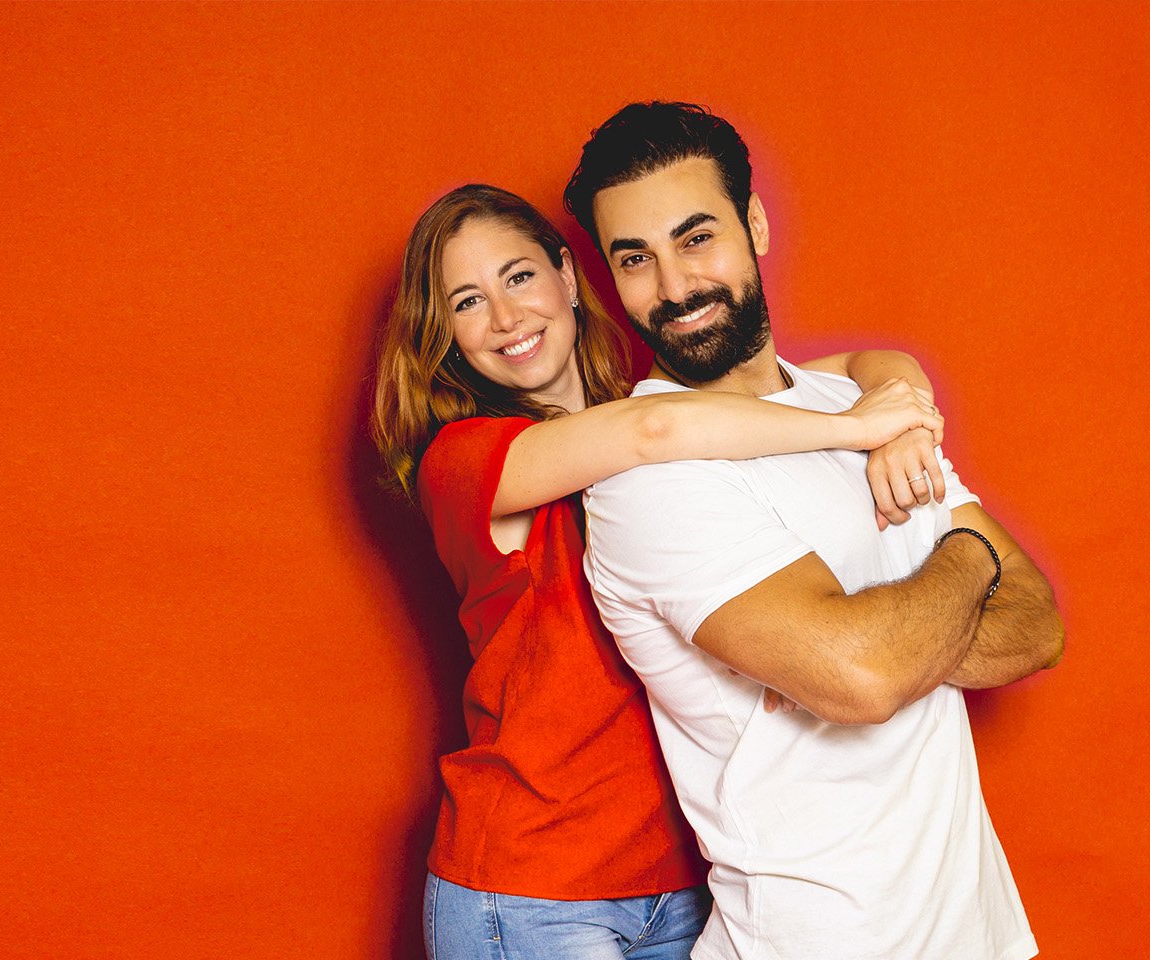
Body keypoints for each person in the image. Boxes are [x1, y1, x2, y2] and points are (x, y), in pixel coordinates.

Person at [371, 183, 947, 960]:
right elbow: (651, 430)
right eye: (467, 301)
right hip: (533, 892)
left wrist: (895, 404)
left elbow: (853, 360)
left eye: (519, 277)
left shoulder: (659, 406)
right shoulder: (464, 461)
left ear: (568, 279)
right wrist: (854, 427)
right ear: (443, 335)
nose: (507, 318)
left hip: (685, 884)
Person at [565, 102, 1064, 960]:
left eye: (696, 238)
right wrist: (972, 548)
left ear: (754, 223)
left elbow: (1038, 625)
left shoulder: (853, 409)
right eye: (634, 259)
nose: (675, 288)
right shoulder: (644, 481)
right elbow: (863, 677)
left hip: (979, 934)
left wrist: (892, 634)